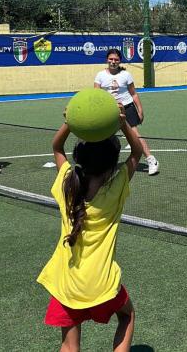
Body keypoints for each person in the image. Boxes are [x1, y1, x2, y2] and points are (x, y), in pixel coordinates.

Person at [37, 108, 143, 352]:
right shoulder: (115, 189)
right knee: (127, 316)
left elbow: (57, 147)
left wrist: (70, 122)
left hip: (68, 284)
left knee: (70, 344)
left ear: (80, 160)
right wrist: (123, 123)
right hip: (103, 284)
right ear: (111, 167)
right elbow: (137, 151)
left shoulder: (68, 184)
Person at [95, 48, 159, 175]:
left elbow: (133, 94)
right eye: (111, 59)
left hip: (127, 107)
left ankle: (151, 160)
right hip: (109, 110)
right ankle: (102, 163)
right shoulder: (100, 76)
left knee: (135, 134)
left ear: (120, 61)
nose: (113, 61)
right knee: (105, 137)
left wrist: (140, 110)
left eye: (116, 59)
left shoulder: (126, 75)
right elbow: (96, 95)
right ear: (107, 60)